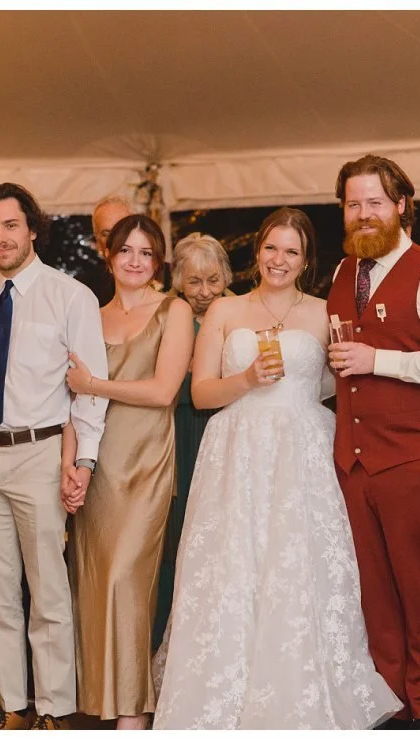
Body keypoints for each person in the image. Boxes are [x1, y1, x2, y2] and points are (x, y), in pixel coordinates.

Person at [153, 207, 401, 729]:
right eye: (271, 247)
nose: (279, 259)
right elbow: (201, 393)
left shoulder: (326, 312)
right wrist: (246, 380)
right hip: (237, 450)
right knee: (234, 567)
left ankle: (299, 688)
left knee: (297, 565)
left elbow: (336, 384)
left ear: (306, 260)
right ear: (257, 250)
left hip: (303, 451)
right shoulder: (225, 310)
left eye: (291, 251)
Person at [0, 182, 108, 730]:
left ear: (32, 228)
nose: (0, 238)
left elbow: (90, 390)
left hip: (40, 454)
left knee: (48, 591)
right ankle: (14, 707)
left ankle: (56, 711)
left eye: (10, 225)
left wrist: (83, 461)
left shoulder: (71, 296)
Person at [327, 155, 420, 729]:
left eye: (374, 202)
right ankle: (391, 702)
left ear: (401, 205)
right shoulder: (344, 271)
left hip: (415, 456)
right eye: (353, 204)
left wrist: (379, 360)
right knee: (375, 594)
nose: (363, 214)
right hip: (356, 460)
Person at [64, 215, 194, 729]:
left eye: (145, 252)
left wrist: (95, 384)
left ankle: (134, 710)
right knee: (92, 583)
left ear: (158, 261)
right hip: (95, 467)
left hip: (145, 465)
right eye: (125, 251)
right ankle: (101, 700)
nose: (135, 261)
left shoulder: (173, 310)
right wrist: (70, 465)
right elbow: (71, 403)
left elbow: (163, 392)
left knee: (127, 582)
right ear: (109, 255)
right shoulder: (89, 316)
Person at [152, 232, 233, 650]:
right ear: (178, 280)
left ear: (226, 277)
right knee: (179, 532)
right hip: (179, 432)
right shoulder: (165, 316)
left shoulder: (240, 313)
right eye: (194, 281)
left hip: (227, 430)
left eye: (213, 280)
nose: (204, 292)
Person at [75, 196, 132, 306]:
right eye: (106, 234)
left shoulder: (164, 276)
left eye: (121, 230)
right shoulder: (84, 287)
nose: (115, 239)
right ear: (98, 241)